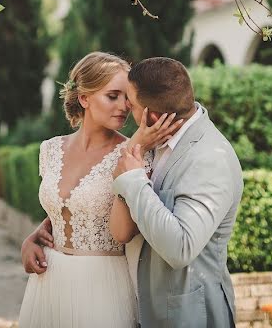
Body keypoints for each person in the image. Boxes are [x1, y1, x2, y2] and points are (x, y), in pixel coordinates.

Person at [17, 52, 181, 328]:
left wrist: (134, 148)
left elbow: (126, 231)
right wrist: (30, 240)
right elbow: (65, 210)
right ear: (84, 98)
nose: (124, 106)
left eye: (127, 97)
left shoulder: (137, 154)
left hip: (102, 286)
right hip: (49, 282)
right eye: (113, 96)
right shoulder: (51, 149)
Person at [112, 57, 243, 328]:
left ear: (152, 116)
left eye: (132, 104)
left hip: (187, 315)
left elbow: (180, 247)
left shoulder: (209, 158)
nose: (126, 107)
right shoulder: (157, 140)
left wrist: (133, 180)